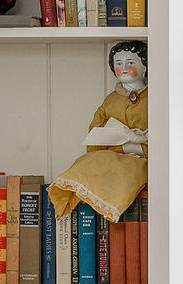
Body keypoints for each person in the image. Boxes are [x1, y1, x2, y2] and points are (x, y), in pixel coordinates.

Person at [48, 40, 148, 221]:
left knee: (127, 173)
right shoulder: (111, 100)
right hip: (116, 152)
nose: (124, 68)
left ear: (145, 67)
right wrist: (95, 151)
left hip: (147, 156)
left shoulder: (155, 96)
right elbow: (97, 126)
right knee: (91, 163)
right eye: (119, 64)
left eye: (130, 63)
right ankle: (69, 191)